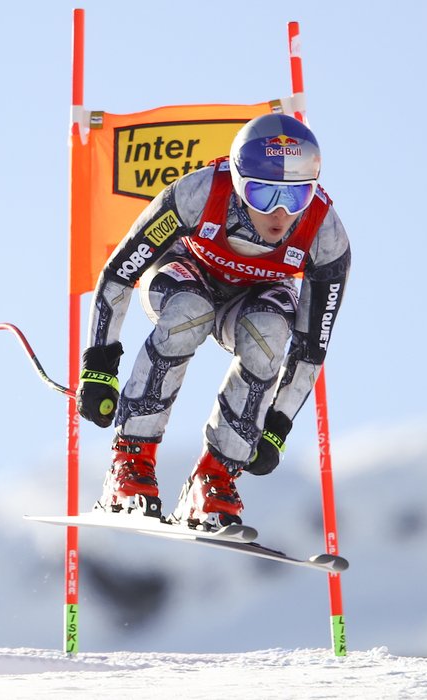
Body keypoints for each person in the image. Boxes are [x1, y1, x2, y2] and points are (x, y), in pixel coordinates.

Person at [75, 113, 350, 531]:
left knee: (271, 334)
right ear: (239, 184)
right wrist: (99, 365)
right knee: (190, 313)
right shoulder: (201, 192)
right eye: (262, 194)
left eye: (295, 198)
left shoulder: (325, 235)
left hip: (251, 298)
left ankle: (214, 480)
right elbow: (119, 273)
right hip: (183, 273)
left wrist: (276, 426)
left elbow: (311, 346)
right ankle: (130, 463)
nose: (279, 214)